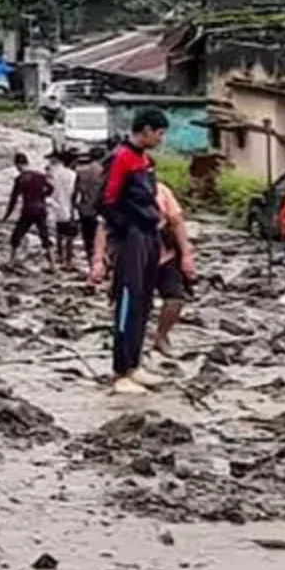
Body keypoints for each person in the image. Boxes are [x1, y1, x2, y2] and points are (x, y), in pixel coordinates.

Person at [88, 108, 170, 395]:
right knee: (127, 300)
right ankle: (120, 371)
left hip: (149, 235)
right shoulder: (121, 157)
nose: (161, 139)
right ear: (146, 130)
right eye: (159, 133)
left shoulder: (145, 160)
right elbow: (105, 202)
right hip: (130, 238)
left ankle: (135, 365)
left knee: (144, 301)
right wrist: (125, 231)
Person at [150, 180, 199, 360]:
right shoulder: (121, 190)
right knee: (136, 303)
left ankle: (161, 336)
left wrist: (186, 254)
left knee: (175, 298)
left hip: (166, 254)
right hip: (136, 258)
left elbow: (177, 221)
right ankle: (132, 345)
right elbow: (105, 226)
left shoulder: (161, 190)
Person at [3, 152, 52, 258]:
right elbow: (51, 188)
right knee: (44, 236)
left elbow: (13, 199)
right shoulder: (40, 175)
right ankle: (53, 265)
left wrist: (6, 216)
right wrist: (42, 195)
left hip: (28, 210)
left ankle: (12, 260)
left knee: (17, 235)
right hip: (41, 209)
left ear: (17, 164)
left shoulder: (20, 179)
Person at [72, 151, 106, 270]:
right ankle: (101, 267)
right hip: (99, 211)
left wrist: (74, 207)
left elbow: (75, 192)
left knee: (88, 239)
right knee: (101, 240)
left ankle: (91, 265)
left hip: (85, 210)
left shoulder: (81, 172)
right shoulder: (103, 172)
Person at [45, 151, 79, 270]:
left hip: (56, 206)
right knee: (70, 237)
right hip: (70, 206)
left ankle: (60, 255)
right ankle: (68, 260)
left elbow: (49, 189)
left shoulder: (55, 174)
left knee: (60, 233)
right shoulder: (73, 175)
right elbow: (76, 192)